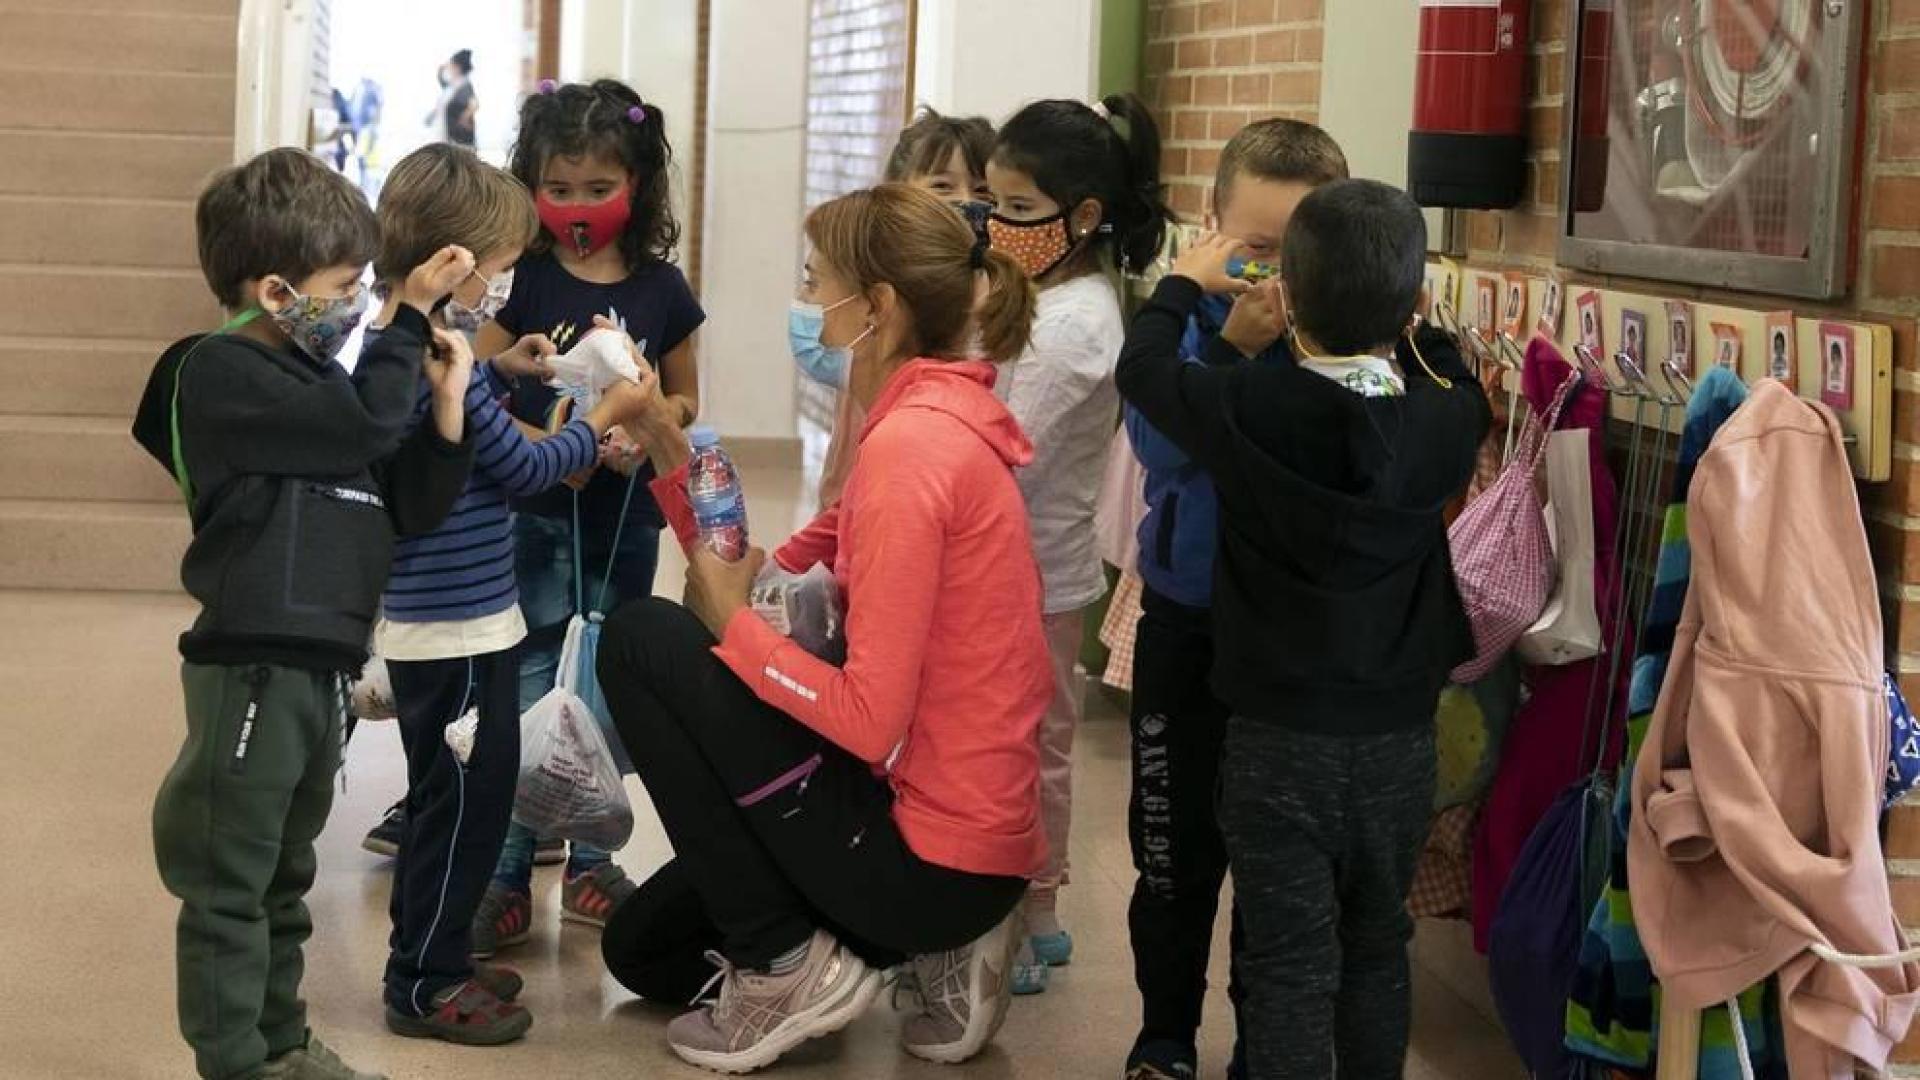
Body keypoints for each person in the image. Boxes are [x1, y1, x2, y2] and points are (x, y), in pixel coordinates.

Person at [594, 182, 1045, 1072]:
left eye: (817, 282)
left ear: (876, 306)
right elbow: (758, 571)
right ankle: (901, 950)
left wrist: (732, 626)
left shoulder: (914, 455)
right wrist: (662, 437)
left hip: (935, 856)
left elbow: (868, 715)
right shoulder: (926, 418)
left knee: (643, 638)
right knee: (644, 951)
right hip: (921, 827)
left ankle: (796, 962)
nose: (806, 306)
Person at [1115, 179, 1491, 1079]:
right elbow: (1450, 365)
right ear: (1414, 303)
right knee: (1374, 945)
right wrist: (1416, 318)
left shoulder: (1249, 409)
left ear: (1287, 299)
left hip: (1278, 741)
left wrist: (1181, 288)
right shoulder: (1447, 420)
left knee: (1288, 961)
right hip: (1400, 739)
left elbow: (1144, 369)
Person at [131, 147, 480, 1080]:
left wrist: (445, 408)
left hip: (316, 668)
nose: (363, 304)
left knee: (287, 879)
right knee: (229, 881)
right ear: (279, 291)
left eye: (372, 287)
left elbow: (404, 502)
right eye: (349, 286)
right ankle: (236, 1061)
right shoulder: (212, 371)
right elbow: (359, 431)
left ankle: (279, 1040)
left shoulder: (322, 385)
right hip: (252, 664)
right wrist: (405, 322)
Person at [368, 144, 656, 1046]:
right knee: (457, 810)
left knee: (466, 801)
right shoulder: (433, 359)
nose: (502, 285)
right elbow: (530, 468)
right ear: (448, 265)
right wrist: (606, 416)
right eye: (495, 268)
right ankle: (424, 985)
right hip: (455, 633)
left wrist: (508, 371)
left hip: (462, 622)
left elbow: (475, 431)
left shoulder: (415, 347)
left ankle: (434, 954)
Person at [1120, 117, 1348, 1080]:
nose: (1273, 275)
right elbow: (1162, 449)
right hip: (1186, 623)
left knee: (1280, 871)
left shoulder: (1344, 335)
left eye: (1294, 251)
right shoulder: (1181, 331)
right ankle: (1165, 1035)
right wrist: (1230, 354)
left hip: (1293, 645)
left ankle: (1270, 1042)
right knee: (1172, 857)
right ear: (1212, 231)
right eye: (1254, 250)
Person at [464, 77, 705, 951]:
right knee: (530, 681)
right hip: (530, 519)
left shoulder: (662, 289)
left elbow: (683, 397)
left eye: (597, 189)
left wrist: (647, 427)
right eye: (557, 189)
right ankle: (506, 865)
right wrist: (551, 448)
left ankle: (595, 860)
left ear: (636, 186)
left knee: (601, 682)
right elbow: (482, 396)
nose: (576, 206)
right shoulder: (519, 285)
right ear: (530, 186)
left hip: (624, 525)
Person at [984, 93, 1173, 995]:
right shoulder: (1043, 292)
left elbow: (1004, 449)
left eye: (1018, 213)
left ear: (1085, 216)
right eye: (994, 206)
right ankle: (1023, 904)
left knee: (1032, 746)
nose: (996, 228)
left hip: (1034, 572)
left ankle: (1037, 910)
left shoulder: (1078, 324)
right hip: (1008, 563)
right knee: (1014, 740)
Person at [811, 106, 995, 506]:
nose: (964, 202)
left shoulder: (986, 298)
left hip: (911, 489)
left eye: (982, 191)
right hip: (853, 495)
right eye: (943, 186)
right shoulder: (864, 289)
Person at [429, 49, 477, 148]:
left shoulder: (465, 85)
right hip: (449, 136)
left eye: (451, 64)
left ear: (457, 67)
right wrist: (441, 69)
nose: (449, 68)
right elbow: (441, 81)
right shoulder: (453, 85)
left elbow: (474, 104)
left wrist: (464, 118)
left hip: (459, 139)